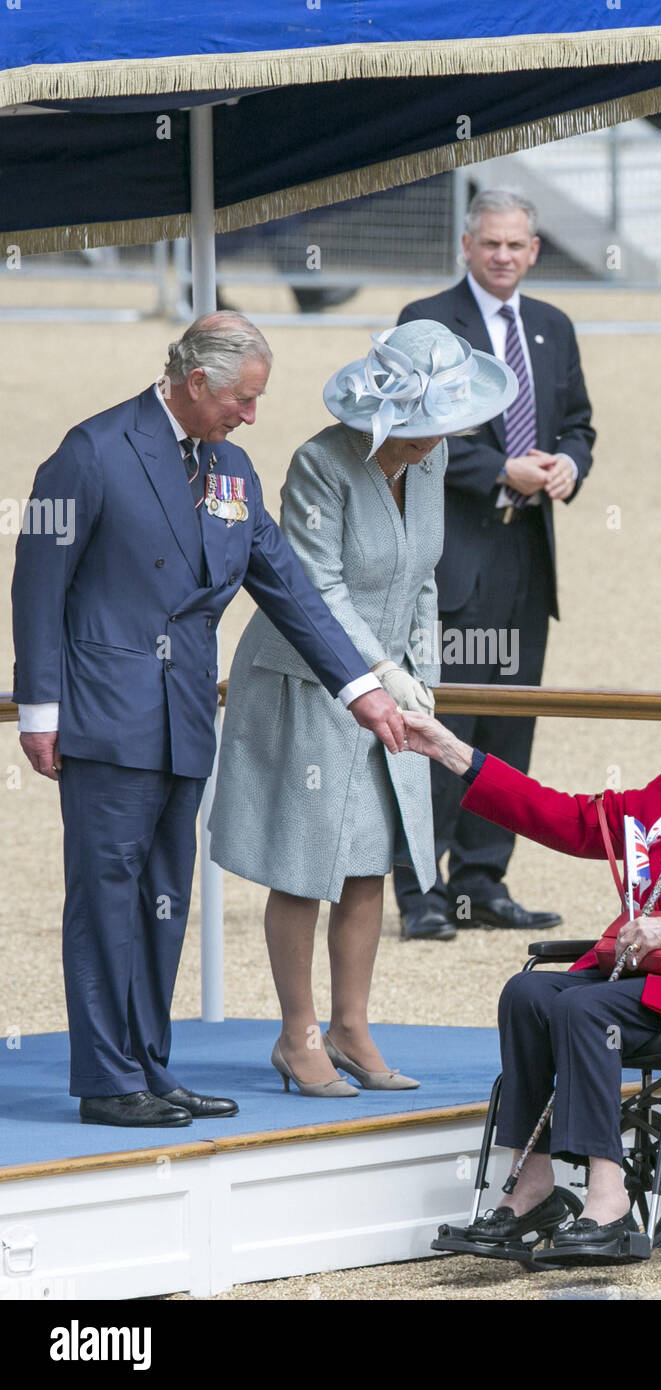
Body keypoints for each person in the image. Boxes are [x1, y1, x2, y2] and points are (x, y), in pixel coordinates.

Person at [11, 311, 407, 1128]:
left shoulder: (229, 468)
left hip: (184, 710)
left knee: (164, 895)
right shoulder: (92, 451)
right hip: (106, 713)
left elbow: (288, 587)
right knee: (106, 895)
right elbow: (38, 585)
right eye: (243, 400)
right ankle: (107, 1078)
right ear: (196, 383)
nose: (251, 417)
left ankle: (149, 1068)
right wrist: (38, 709)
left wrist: (360, 688)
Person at [400, 672, 661, 1250]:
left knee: (588, 1010)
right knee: (526, 995)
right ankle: (534, 1188)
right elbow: (565, 817)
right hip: (653, 981)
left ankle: (609, 1198)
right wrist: (454, 753)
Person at [208, 321, 518, 1096]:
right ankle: (297, 1034)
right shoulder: (320, 462)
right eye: (420, 429)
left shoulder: (433, 454)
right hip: (308, 680)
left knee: (370, 860)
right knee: (306, 862)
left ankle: (351, 1026)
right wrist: (376, 668)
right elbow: (313, 588)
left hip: (392, 686)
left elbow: (422, 576)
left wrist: (422, 674)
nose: (434, 440)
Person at [392, 188, 595, 940]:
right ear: (466, 246)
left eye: (516, 245)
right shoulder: (425, 322)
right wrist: (497, 470)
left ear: (533, 250)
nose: (503, 256)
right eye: (490, 244)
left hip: (525, 557)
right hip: (453, 555)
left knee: (509, 725)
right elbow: (415, 431)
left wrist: (571, 465)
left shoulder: (551, 326)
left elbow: (578, 422)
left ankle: (482, 880)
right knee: (442, 720)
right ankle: (421, 889)